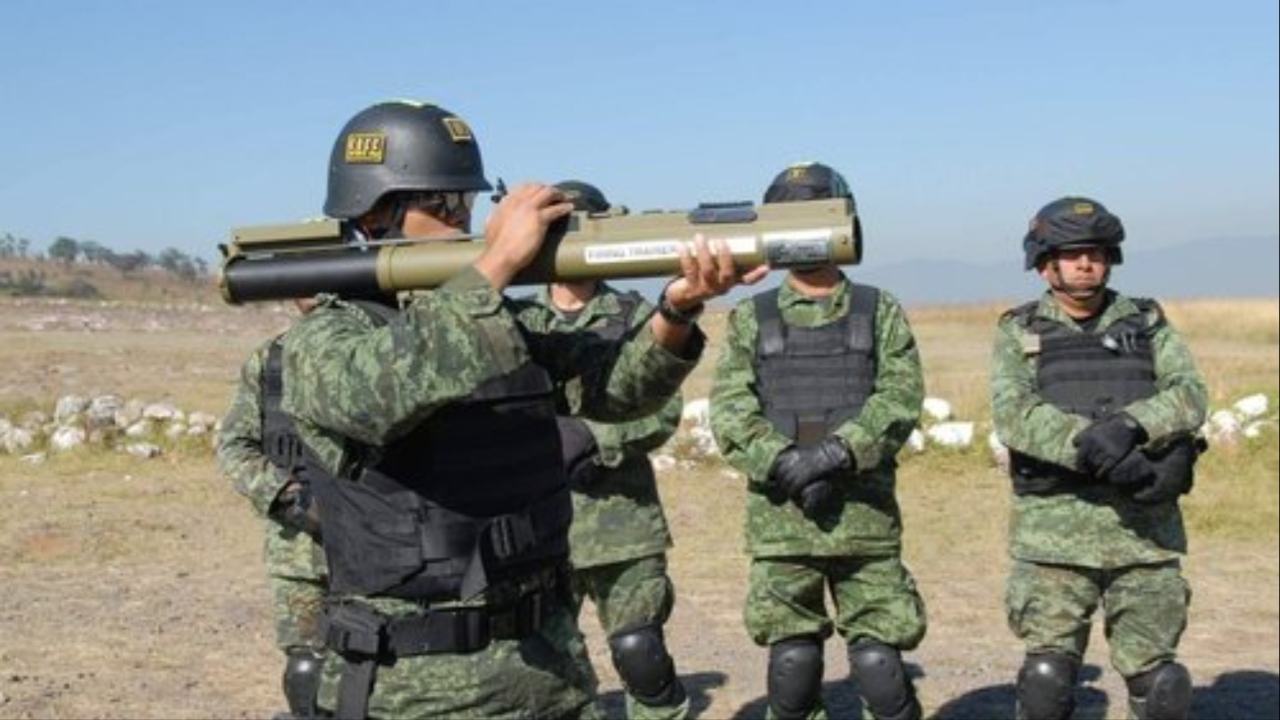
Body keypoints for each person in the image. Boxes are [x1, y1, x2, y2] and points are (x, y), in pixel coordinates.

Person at [278, 100, 766, 720]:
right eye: (442, 205)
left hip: (548, 671)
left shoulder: (506, 320)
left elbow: (617, 392)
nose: (463, 220)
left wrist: (678, 307)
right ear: (375, 212)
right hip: (417, 692)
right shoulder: (326, 338)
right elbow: (377, 396)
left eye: (468, 204)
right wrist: (497, 264)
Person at [709, 162, 927, 720]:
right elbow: (731, 410)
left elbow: (899, 399)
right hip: (783, 523)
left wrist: (836, 454)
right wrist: (784, 464)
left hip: (863, 518)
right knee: (793, 666)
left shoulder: (879, 309)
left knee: (880, 669)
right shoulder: (749, 317)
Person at [990, 196, 1209, 720]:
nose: (1085, 263)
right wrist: (1101, 452)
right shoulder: (1018, 330)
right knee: (1046, 682)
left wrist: (1132, 426)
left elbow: (1190, 393)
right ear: (1045, 263)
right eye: (1071, 254)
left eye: (1095, 252)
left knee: (1161, 685)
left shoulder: (1149, 322)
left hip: (1144, 534)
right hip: (1053, 538)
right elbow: (1015, 414)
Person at [517, 180, 690, 720]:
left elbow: (663, 410)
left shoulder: (639, 315)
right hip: (538, 529)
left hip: (622, 525)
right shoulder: (515, 320)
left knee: (641, 656)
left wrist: (596, 438)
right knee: (544, 671)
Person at [217, 297, 328, 720]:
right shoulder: (271, 361)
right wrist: (292, 498)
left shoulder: (383, 343)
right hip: (300, 550)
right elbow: (234, 446)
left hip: (381, 540)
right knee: (307, 663)